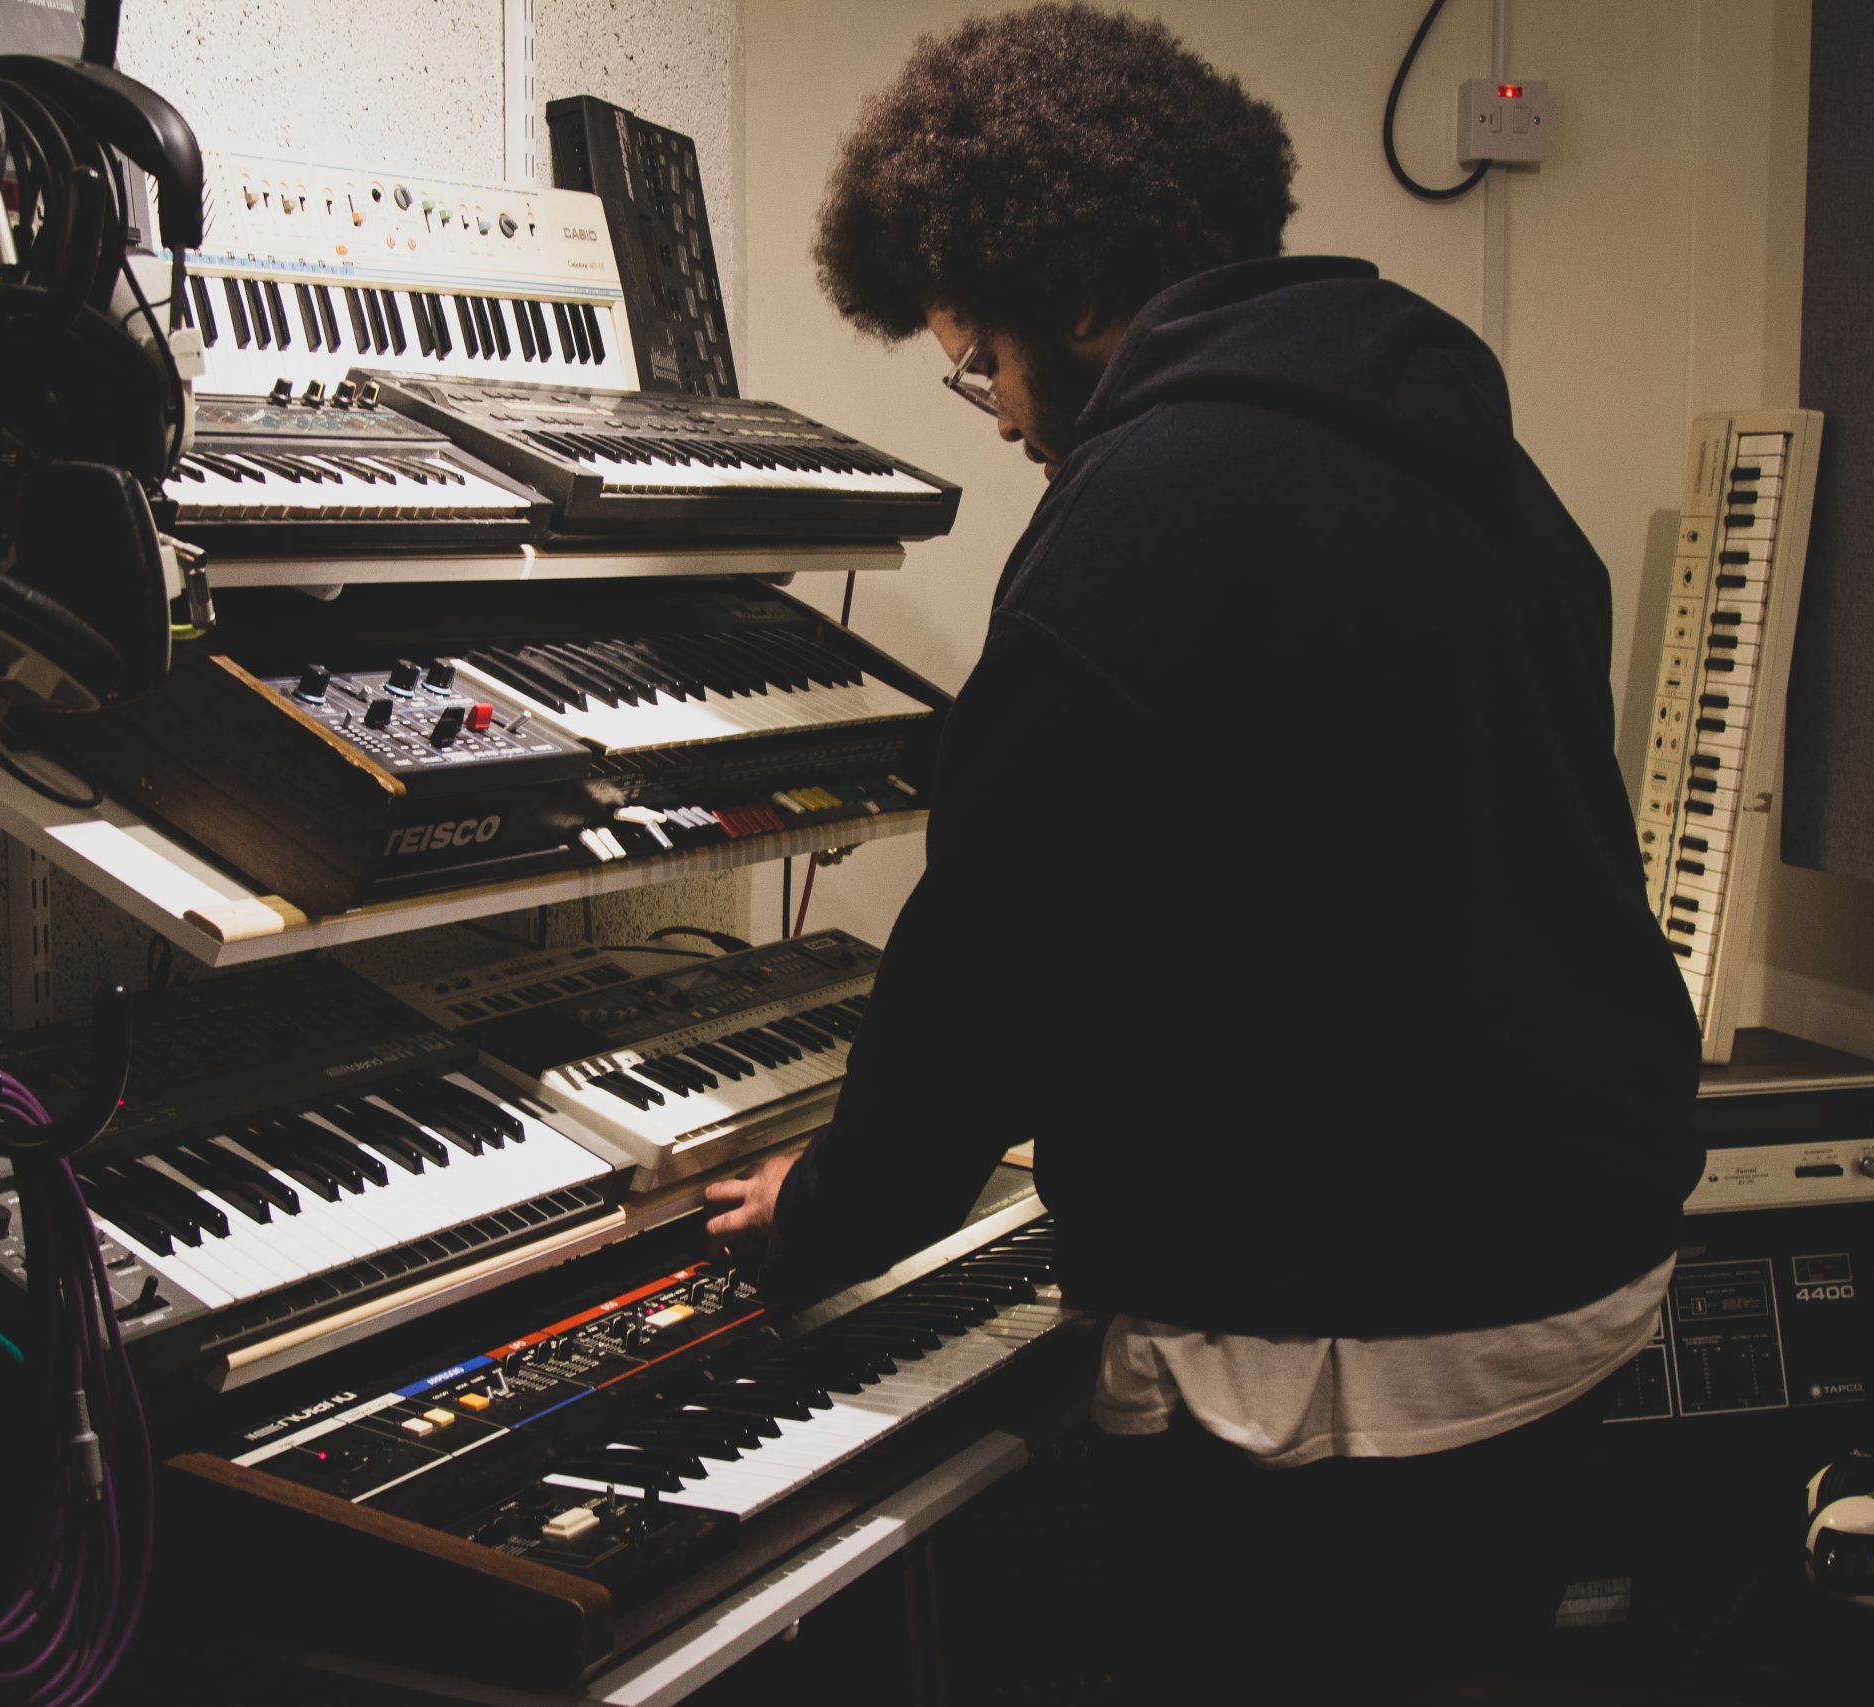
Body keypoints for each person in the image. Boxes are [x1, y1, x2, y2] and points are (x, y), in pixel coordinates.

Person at [703, 4, 1704, 1678]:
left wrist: (822, 1219)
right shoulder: (1471, 461)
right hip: (1578, 1272)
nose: (1002, 416)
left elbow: (983, 973)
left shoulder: (1142, 503)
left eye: (982, 359)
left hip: (1353, 1336)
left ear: (1081, 300)